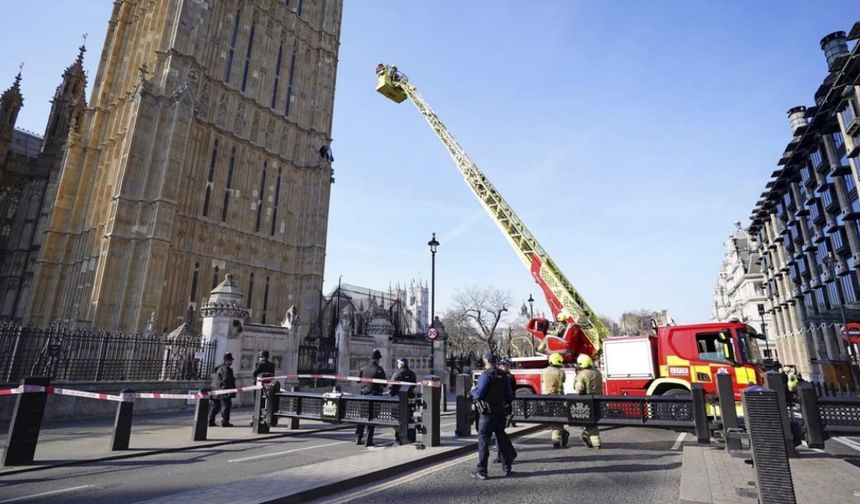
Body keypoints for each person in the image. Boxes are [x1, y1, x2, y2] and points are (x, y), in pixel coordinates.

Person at [470, 352, 515, 480]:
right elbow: (510, 395)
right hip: (500, 410)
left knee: (484, 439)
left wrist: (472, 390)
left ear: (486, 362)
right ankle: (507, 467)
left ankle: (482, 471)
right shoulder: (504, 375)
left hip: (487, 412)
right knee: (500, 436)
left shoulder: (486, 375)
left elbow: (479, 393)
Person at [355, 349, 387, 446]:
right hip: (375, 396)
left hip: (364, 395)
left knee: (362, 417)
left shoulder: (364, 368)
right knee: (372, 418)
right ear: (378, 359)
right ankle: (368, 440)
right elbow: (384, 384)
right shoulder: (379, 370)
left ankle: (358, 438)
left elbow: (358, 380)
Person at [573, 353, 603, 448]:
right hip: (599, 400)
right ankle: (591, 439)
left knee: (589, 423)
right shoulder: (598, 373)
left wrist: (576, 379)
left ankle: (595, 442)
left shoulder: (582, 374)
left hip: (587, 401)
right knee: (593, 422)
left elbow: (579, 389)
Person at [493, 359, 518, 464]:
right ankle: (506, 454)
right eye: (501, 365)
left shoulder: (508, 377)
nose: (503, 367)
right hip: (501, 406)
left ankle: (506, 454)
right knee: (499, 432)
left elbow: (510, 394)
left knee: (499, 432)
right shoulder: (503, 376)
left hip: (504, 407)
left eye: (505, 366)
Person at [542, 352, 570, 448]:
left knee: (552, 419)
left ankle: (562, 435)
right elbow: (563, 380)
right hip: (559, 398)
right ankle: (557, 440)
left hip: (547, 398)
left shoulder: (544, 371)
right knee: (559, 418)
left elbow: (542, 380)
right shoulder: (561, 372)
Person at [390, 357, 417, 444]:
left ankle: (399, 438)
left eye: (398, 363)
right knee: (409, 418)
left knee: (398, 419)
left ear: (401, 364)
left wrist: (392, 394)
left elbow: (392, 386)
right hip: (410, 400)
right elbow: (414, 384)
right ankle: (411, 437)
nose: (397, 365)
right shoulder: (412, 373)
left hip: (399, 400)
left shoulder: (397, 373)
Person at [209, 353, 236, 427]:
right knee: (226, 407)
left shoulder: (218, 369)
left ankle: (210, 421)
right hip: (223, 391)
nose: (231, 362)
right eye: (230, 360)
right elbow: (226, 380)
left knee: (215, 407)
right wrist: (229, 391)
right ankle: (225, 422)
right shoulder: (226, 369)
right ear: (226, 361)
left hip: (215, 391)